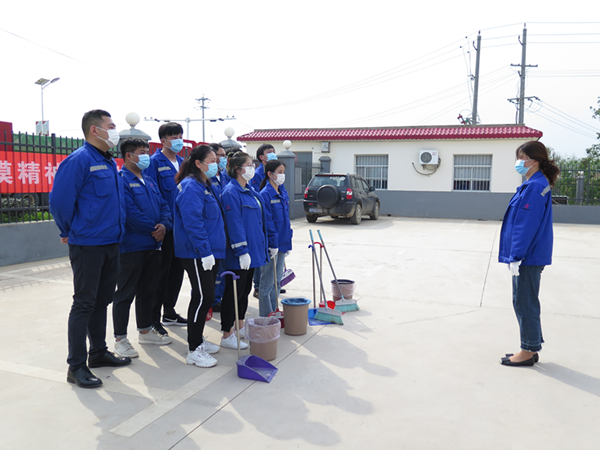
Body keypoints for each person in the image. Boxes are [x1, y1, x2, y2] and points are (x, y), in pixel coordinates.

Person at [50, 109, 131, 389]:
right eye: (111, 125)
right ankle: (76, 366)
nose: (115, 130)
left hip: (111, 242)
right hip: (88, 244)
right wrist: (69, 231)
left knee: (102, 300)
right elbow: (59, 202)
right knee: (84, 303)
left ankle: (98, 352)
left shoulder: (107, 161)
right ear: (95, 130)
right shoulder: (79, 160)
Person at [498, 141, 560, 367]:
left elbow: (526, 225)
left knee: (524, 302)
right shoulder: (534, 184)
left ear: (534, 161)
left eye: (522, 157)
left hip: (528, 256)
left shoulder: (534, 187)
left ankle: (527, 351)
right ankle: (531, 346)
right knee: (525, 301)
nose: (518, 162)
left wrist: (516, 255)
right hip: (530, 254)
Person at [112, 138, 173, 359]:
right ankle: (120, 339)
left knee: (148, 290)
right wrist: (153, 229)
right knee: (125, 293)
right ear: (129, 155)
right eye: (142, 152)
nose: (146, 155)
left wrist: (164, 225)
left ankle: (145, 331)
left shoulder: (149, 180)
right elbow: (129, 212)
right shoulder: (122, 180)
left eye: (147, 151)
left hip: (153, 245)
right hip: (132, 246)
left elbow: (165, 205)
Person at [173, 145, 226, 368]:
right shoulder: (191, 186)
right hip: (196, 252)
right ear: (198, 163)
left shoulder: (206, 184)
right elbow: (192, 222)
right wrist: (204, 251)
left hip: (209, 251)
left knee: (204, 296)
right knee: (203, 297)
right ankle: (194, 349)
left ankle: (198, 339)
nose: (216, 164)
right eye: (212, 160)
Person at [220, 151, 275, 349]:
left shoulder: (249, 190)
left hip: (253, 252)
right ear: (238, 169)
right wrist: (242, 250)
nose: (253, 168)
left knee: (244, 292)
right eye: (249, 165)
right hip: (239, 254)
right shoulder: (231, 192)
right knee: (233, 294)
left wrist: (267, 245)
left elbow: (259, 221)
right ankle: (227, 334)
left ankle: (240, 326)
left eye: (253, 165)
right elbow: (234, 223)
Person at [146, 122, 187, 334]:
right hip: (166, 227)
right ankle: (153, 319)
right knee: (160, 275)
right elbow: (153, 195)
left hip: (182, 227)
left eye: (180, 136)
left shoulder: (182, 162)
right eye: (174, 137)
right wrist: (162, 223)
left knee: (177, 272)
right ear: (163, 140)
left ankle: (169, 311)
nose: (179, 140)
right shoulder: (154, 162)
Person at [258, 160, 293, 316]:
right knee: (267, 283)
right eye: (279, 172)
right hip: (271, 245)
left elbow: (285, 220)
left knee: (277, 281)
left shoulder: (282, 192)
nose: (282, 175)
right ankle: (266, 317)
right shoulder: (265, 194)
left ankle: (274, 311)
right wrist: (273, 243)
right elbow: (268, 222)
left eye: (283, 172)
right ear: (270, 174)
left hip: (282, 243)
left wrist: (287, 242)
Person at [249, 144, 277, 298]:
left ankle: (272, 283)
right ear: (261, 157)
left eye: (274, 151)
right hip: (259, 216)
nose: (272, 154)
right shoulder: (256, 174)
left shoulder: (275, 172)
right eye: (269, 152)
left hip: (272, 215)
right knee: (260, 253)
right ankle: (258, 286)